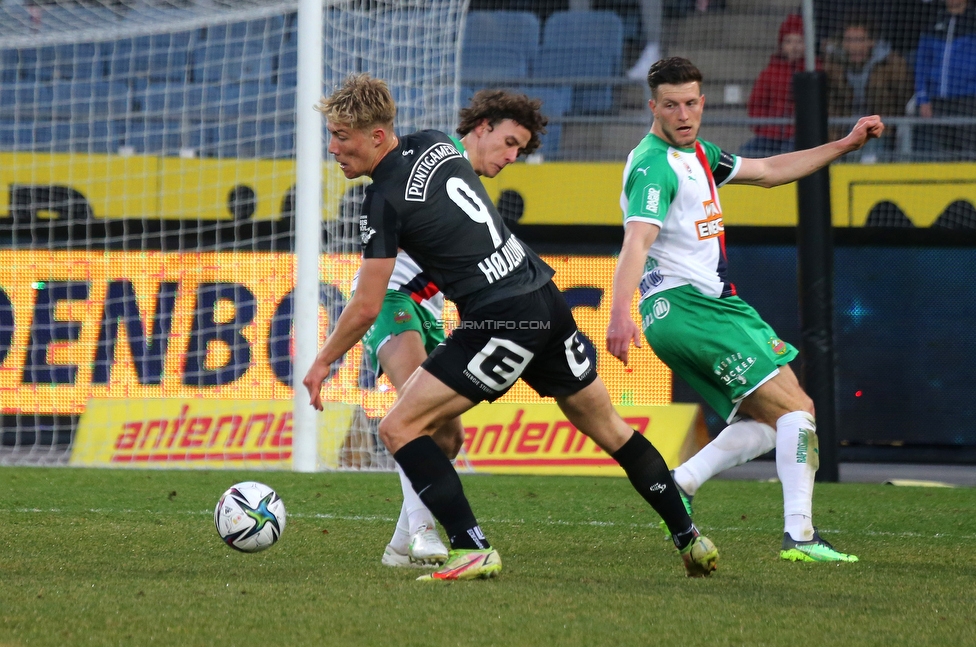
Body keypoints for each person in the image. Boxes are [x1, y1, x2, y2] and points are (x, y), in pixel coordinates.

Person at [304, 73, 719, 581]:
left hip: (500, 317)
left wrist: (324, 360)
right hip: (545, 297)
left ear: (376, 136)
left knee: (398, 426)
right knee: (610, 428)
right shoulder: (436, 142)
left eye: (341, 136)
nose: (332, 147)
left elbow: (367, 305)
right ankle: (689, 537)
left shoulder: (383, 200)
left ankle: (468, 546)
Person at [607, 57, 884, 563]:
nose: (683, 114)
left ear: (703, 101)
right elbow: (636, 240)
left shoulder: (699, 153)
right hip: (690, 308)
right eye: (671, 105)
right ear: (653, 107)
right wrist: (618, 313)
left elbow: (771, 171)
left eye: (691, 102)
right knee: (798, 412)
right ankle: (799, 537)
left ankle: (681, 483)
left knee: (780, 418)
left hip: (711, 307)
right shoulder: (654, 164)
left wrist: (844, 146)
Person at [363, 89, 549, 569]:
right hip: (392, 301)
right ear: (481, 126)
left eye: (519, 152)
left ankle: (400, 545)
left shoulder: (459, 170)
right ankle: (426, 533)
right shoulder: (439, 157)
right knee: (412, 417)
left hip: (431, 308)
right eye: (508, 143)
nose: (511, 158)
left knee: (448, 439)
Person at [825, 15, 913, 156]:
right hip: (843, 126)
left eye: (859, 40)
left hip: (878, 128)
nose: (854, 46)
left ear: (871, 42)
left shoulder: (892, 64)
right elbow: (829, 101)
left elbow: (903, 97)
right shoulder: (832, 65)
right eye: (849, 40)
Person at [740, 13, 810, 158]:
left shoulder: (813, 70)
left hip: (799, 136)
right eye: (789, 41)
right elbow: (756, 104)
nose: (794, 47)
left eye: (799, 41)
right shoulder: (769, 73)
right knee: (745, 153)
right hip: (769, 135)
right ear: (782, 45)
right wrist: (766, 128)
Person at [914, 0, 976, 153]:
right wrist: (923, 99)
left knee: (968, 151)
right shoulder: (933, 23)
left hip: (968, 101)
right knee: (941, 153)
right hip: (937, 102)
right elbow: (922, 64)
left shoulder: (973, 21)